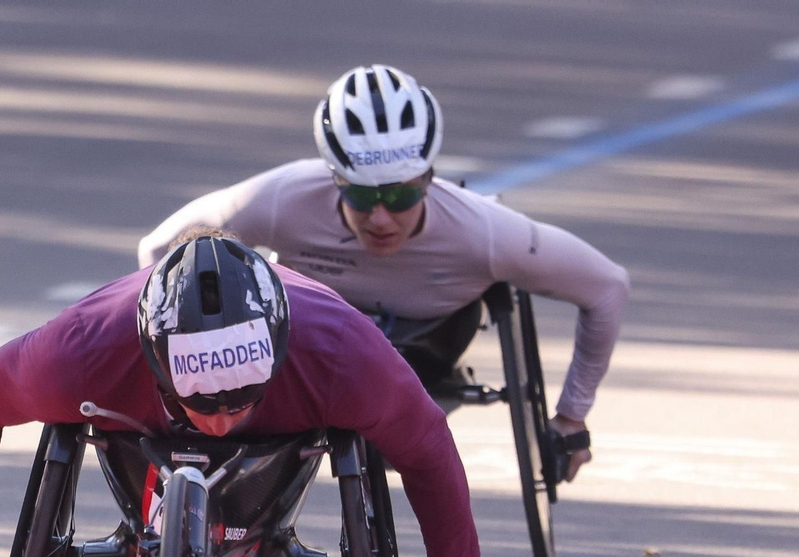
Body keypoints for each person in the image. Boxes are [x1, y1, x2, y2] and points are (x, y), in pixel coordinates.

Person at [0, 235, 500, 557]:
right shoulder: (81, 351)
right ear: (151, 357)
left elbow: (425, 442)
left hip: (283, 447)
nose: (221, 423)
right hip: (137, 437)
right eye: (198, 402)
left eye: (242, 399)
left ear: (278, 350)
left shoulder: (341, 351)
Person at [137, 63, 631, 482]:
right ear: (335, 178)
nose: (380, 218)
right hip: (310, 345)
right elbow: (159, 248)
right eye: (361, 196)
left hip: (428, 347)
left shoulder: (484, 231)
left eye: (399, 196)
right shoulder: (285, 197)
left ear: (429, 180)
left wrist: (570, 418)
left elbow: (607, 287)